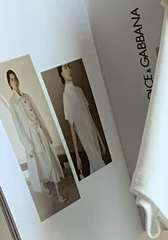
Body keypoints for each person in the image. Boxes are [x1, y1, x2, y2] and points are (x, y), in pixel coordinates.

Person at [6, 69, 65, 203]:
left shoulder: (27, 96)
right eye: (12, 79)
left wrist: (46, 133)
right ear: (9, 83)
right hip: (31, 139)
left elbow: (38, 114)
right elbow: (18, 127)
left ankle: (58, 193)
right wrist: (28, 146)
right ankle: (45, 185)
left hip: (40, 132)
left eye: (15, 78)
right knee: (40, 166)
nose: (15, 81)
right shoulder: (12, 103)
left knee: (51, 161)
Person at [58, 64, 106, 178]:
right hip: (85, 138)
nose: (69, 70)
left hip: (93, 135)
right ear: (62, 74)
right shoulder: (66, 96)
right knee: (99, 165)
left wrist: (100, 141)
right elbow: (72, 127)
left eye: (69, 67)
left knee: (97, 167)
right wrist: (77, 157)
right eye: (65, 68)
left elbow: (90, 117)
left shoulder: (79, 90)